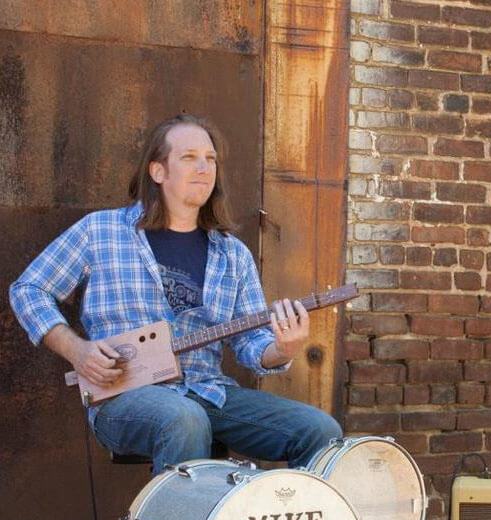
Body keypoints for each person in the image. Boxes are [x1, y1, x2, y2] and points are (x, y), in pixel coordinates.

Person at [9, 113, 342, 474]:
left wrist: (282, 349)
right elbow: (28, 289)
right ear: (157, 171)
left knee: (320, 430)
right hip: (123, 397)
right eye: (189, 157)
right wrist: (77, 350)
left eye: (210, 159)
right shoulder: (100, 231)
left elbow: (252, 343)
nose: (204, 167)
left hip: (208, 391)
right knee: (184, 418)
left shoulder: (232, 253)